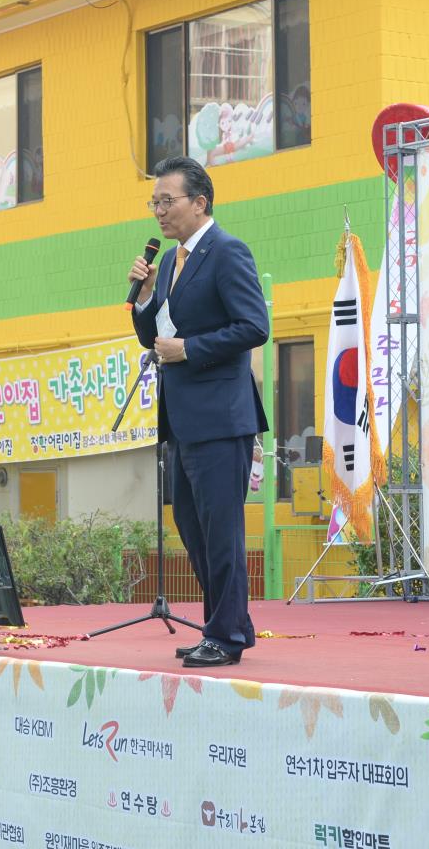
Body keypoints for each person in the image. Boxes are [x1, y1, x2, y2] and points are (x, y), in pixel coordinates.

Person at [129, 156, 269, 668]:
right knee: (192, 524)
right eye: (155, 203)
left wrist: (189, 349)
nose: (159, 212)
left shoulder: (228, 252)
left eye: (168, 201)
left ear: (200, 203)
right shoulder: (169, 262)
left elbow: (255, 327)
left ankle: (225, 636)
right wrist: (144, 297)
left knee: (221, 529)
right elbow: (154, 337)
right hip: (183, 418)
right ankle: (229, 624)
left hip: (221, 416)